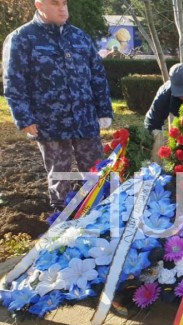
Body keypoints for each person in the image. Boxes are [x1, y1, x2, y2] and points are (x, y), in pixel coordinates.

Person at [2, 0, 113, 211]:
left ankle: (100, 214)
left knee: (96, 172)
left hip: (85, 119)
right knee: (59, 175)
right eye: (55, 4)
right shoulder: (22, 39)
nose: (62, 8)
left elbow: (97, 75)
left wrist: (104, 109)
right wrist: (24, 118)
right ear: (39, 5)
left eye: (64, 3)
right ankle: (62, 222)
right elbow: (14, 82)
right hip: (50, 122)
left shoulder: (79, 37)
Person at [144, 63, 183, 162]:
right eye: (182, 93)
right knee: (158, 148)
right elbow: (152, 122)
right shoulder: (163, 97)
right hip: (157, 122)